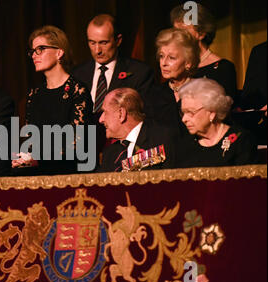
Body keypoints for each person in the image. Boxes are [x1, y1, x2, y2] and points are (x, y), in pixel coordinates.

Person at [12, 25, 94, 175]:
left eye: (40, 49)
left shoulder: (78, 90)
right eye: (32, 51)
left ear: (59, 52)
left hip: (69, 171)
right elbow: (31, 140)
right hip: (38, 169)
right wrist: (22, 157)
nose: (34, 55)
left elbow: (76, 144)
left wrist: (39, 160)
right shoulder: (34, 94)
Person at [72, 14, 155, 153]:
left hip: (120, 150)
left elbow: (144, 118)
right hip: (83, 151)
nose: (97, 50)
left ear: (118, 40)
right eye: (92, 43)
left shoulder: (139, 73)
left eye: (103, 43)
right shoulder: (77, 74)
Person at [177, 78, 257, 167]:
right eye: (183, 112)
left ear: (212, 113)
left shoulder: (241, 141)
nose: (184, 119)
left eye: (191, 112)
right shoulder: (183, 143)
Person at [97, 88, 178, 172]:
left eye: (105, 112)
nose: (101, 119)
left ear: (121, 113)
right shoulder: (110, 154)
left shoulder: (163, 139)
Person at [171, 3, 237, 101]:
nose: (178, 36)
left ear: (201, 34)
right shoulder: (174, 65)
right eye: (176, 31)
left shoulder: (223, 68)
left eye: (183, 31)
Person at [146, 28, 200, 137]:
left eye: (171, 58)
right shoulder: (153, 94)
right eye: (161, 56)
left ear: (188, 62)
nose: (164, 63)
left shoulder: (202, 92)